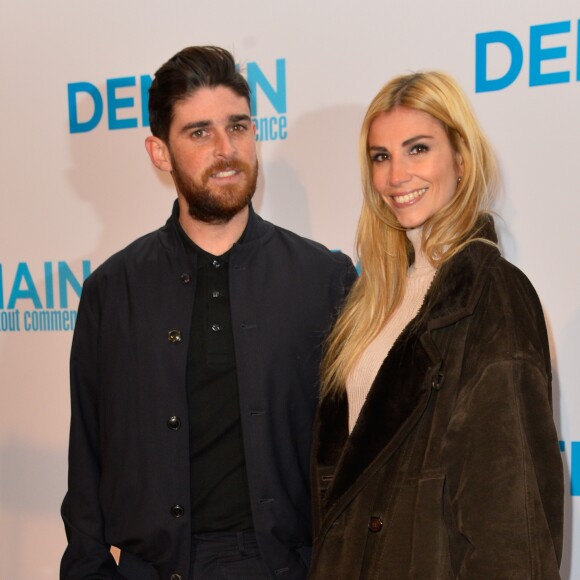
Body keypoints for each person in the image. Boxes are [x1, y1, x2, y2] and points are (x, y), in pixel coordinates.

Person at [60, 46, 356, 580]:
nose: (227, 149)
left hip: (286, 567)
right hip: (153, 567)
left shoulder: (325, 281)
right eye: (199, 133)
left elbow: (356, 455)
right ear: (159, 152)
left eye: (238, 126)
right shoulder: (112, 290)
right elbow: (87, 455)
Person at [309, 71, 564, 579]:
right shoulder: (373, 301)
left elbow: (511, 524)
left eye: (418, 149)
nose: (396, 175)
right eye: (381, 156)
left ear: (462, 161)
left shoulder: (492, 294)